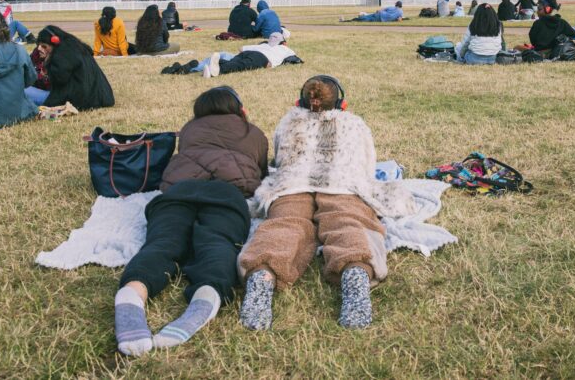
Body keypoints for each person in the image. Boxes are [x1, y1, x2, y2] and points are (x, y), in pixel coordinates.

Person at [237, 76, 415, 331]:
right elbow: (367, 166)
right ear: (340, 102)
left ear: (301, 100)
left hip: (291, 184)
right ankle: (355, 270)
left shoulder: (289, 121)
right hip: (344, 184)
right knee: (348, 222)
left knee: (284, 224)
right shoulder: (355, 123)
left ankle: (262, 274)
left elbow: (280, 160)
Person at [114, 86, 268, 356]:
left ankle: (132, 291)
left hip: (179, 190)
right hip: (226, 194)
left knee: (163, 243)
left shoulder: (189, 129)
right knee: (217, 243)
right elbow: (262, 174)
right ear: (239, 109)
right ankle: (207, 294)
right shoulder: (253, 132)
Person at [32, 26, 115, 110]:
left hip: (75, 101)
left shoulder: (61, 54)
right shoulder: (74, 46)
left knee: (23, 91)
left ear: (55, 42)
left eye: (44, 46)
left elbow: (59, 79)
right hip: (99, 99)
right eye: (39, 45)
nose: (39, 49)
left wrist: (47, 66)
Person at [202, 32, 296, 78]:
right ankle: (218, 70)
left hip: (247, 52)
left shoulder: (264, 45)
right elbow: (294, 57)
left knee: (234, 62)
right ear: (283, 43)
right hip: (262, 58)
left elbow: (241, 48)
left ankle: (217, 63)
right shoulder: (285, 49)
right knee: (240, 65)